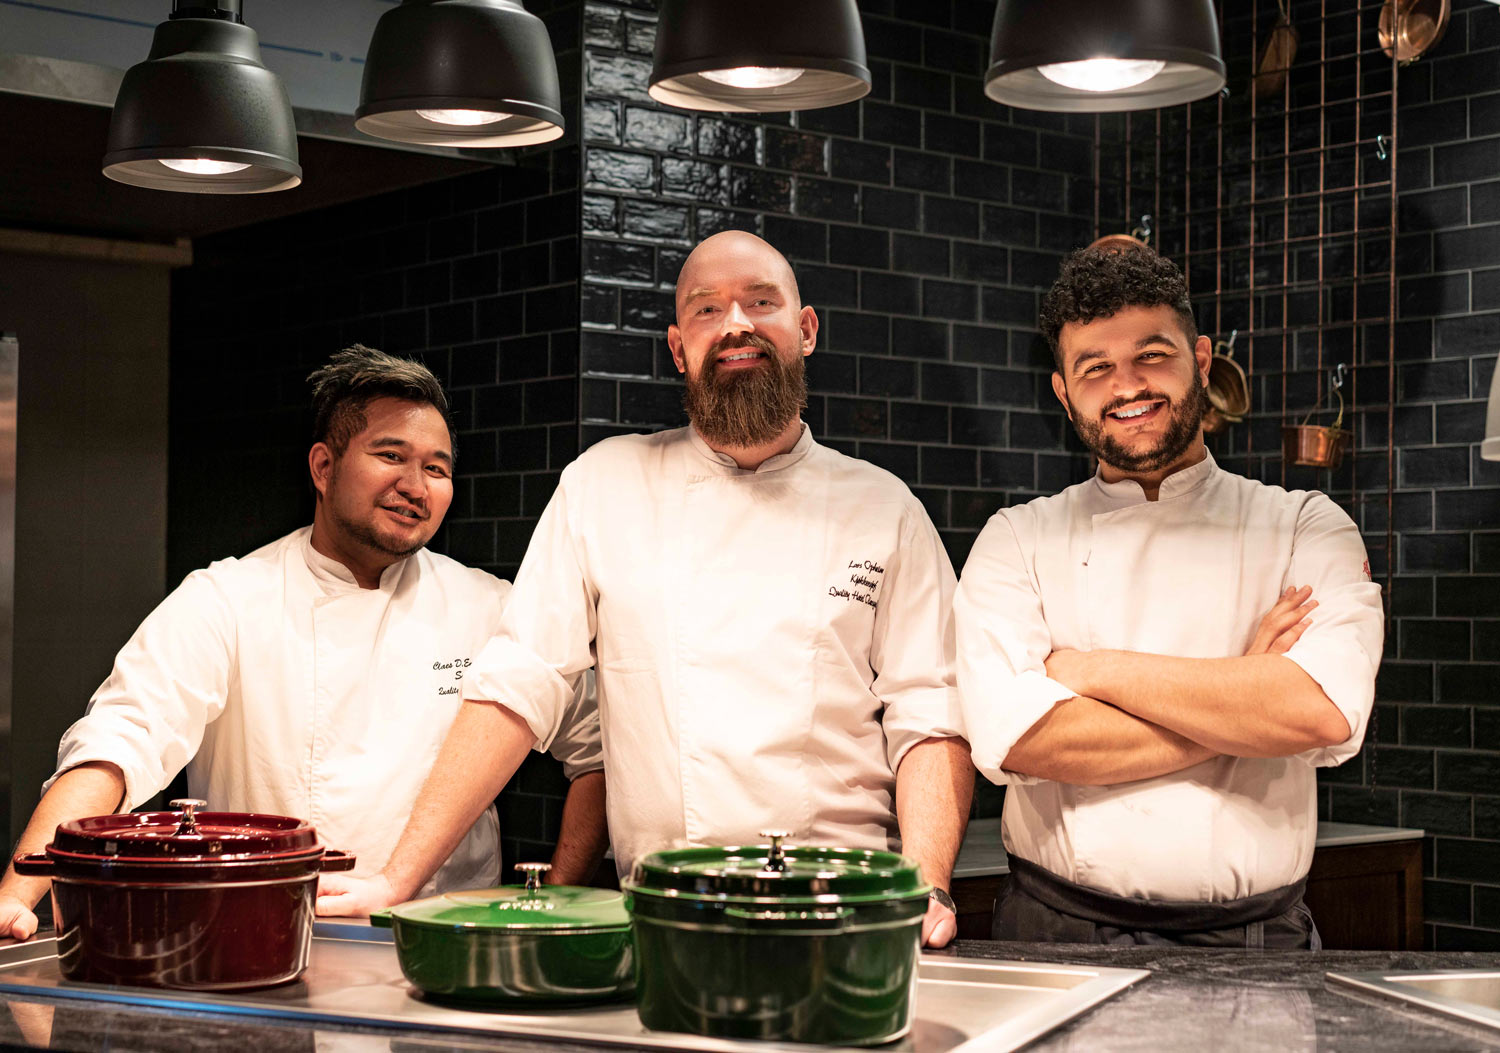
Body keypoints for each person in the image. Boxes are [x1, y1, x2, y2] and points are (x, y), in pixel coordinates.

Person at [319, 232, 974, 946]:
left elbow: (931, 714)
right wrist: (397, 877)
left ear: (806, 329)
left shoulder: (885, 508)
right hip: (664, 918)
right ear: (677, 347)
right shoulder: (605, 485)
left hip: (842, 914)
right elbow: (517, 683)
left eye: (761, 302)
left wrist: (928, 882)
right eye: (706, 309)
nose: (736, 324)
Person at [0, 346, 604, 940]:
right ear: (322, 467)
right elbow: (119, 739)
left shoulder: (491, 606)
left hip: (440, 950)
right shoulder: (227, 597)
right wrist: (16, 895)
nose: (415, 486)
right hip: (257, 939)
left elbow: (597, 756)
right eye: (390, 455)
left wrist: (549, 907)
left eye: (437, 469)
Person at [955, 247, 1384, 948]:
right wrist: (1243, 695)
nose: (1128, 386)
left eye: (1152, 355)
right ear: (1063, 391)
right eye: (1095, 367)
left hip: (1256, 945)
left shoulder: (1305, 523)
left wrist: (1093, 670)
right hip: (1058, 937)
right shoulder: (1016, 539)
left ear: (1202, 359)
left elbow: (1320, 710)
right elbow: (1026, 739)